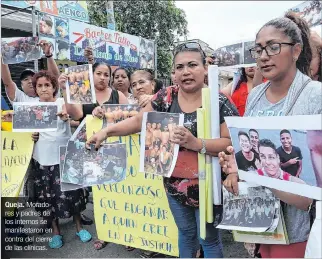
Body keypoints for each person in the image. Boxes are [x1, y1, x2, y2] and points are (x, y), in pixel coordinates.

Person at [86, 42, 239, 258]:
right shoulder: (167, 96)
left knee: (208, 239)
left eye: (192, 65)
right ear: (174, 73)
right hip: (174, 187)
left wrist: (196, 143)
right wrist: (106, 132)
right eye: (180, 67)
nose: (185, 71)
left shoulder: (219, 100)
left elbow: (232, 143)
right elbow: (140, 120)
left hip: (208, 187)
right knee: (186, 234)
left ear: (205, 68)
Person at [220, 12, 321, 258]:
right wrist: (235, 166)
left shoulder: (315, 96)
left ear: (296, 51)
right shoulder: (255, 95)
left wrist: (263, 172)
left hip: (300, 226)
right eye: (259, 49)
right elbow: (249, 152)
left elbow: (314, 182)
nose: (264, 56)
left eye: (274, 47)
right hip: (261, 218)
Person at [58, 53, 128, 250]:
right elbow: (76, 114)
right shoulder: (82, 90)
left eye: (107, 74)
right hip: (89, 151)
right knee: (99, 195)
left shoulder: (118, 95)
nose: (103, 78)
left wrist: (110, 112)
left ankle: (127, 233)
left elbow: (130, 117)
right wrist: (66, 89)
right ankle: (105, 233)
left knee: (119, 193)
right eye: (99, 73)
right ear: (92, 74)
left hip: (114, 150)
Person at [29, 70, 91, 248]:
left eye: (47, 85)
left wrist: (66, 113)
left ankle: (79, 227)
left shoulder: (61, 102)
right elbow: (22, 132)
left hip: (65, 156)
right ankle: (55, 232)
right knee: (49, 197)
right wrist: (30, 136)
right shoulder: (31, 107)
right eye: (39, 86)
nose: (43, 89)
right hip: (43, 160)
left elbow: (76, 114)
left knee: (74, 193)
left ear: (54, 87)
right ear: (35, 89)